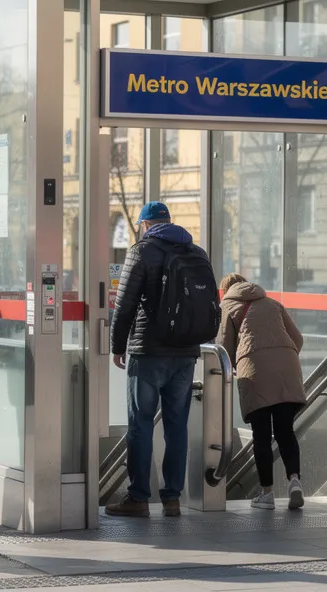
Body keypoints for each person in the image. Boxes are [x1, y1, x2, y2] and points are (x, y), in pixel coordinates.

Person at [107, 202, 217, 518]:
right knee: (176, 425)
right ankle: (172, 499)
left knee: (140, 423)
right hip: (185, 352)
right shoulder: (197, 253)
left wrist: (117, 346)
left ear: (144, 225)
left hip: (149, 352)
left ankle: (139, 497)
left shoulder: (141, 252)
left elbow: (125, 303)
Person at [217, 273, 306, 511]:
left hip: (255, 369)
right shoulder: (272, 303)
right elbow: (298, 338)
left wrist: (232, 367)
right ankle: (295, 481)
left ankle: (267, 493)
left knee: (262, 434)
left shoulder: (227, 305)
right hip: (287, 367)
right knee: (285, 430)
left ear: (226, 290)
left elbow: (224, 346)